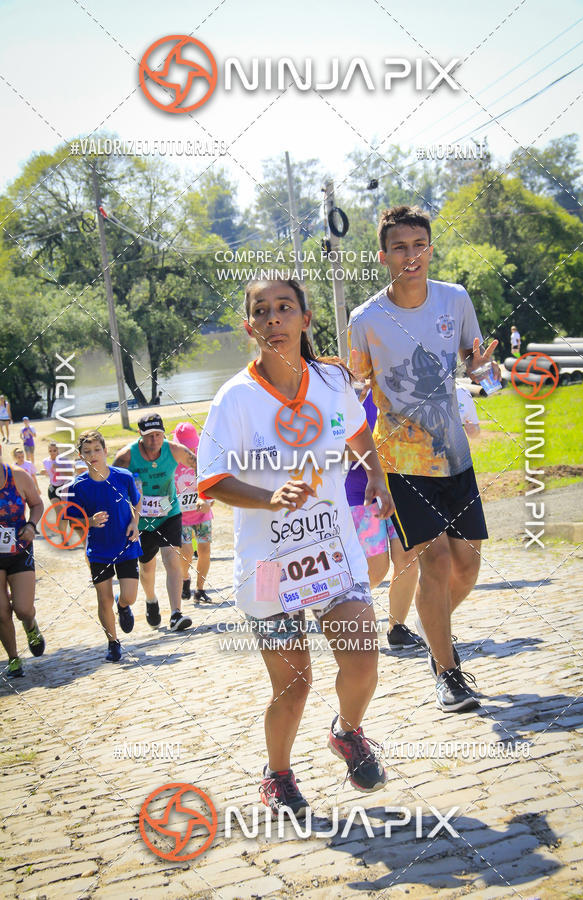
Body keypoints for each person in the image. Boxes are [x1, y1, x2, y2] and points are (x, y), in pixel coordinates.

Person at [197, 277, 394, 817]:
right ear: (250, 326)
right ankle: (277, 775)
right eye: (261, 310)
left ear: (305, 319)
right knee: (294, 683)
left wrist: (376, 477)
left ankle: (347, 733)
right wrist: (268, 497)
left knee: (363, 660)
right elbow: (211, 479)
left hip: (333, 553)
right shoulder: (234, 398)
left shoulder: (331, 381)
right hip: (268, 568)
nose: (273, 318)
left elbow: (358, 433)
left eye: (284, 307)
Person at [348, 204, 500, 713]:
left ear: (430, 249)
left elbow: (477, 364)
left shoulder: (455, 299)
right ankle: (448, 672)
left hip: (453, 456)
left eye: (419, 245)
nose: (410, 256)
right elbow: (354, 390)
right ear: (383, 256)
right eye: (399, 248)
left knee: (467, 566)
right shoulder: (365, 320)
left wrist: (484, 369)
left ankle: (434, 631)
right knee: (433, 561)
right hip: (401, 461)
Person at [345, 386, 422, 651]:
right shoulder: (353, 395)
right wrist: (375, 451)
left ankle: (397, 628)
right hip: (362, 491)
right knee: (376, 569)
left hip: (403, 488)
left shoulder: (408, 393)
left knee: (408, 557)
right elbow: (339, 448)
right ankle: (344, 615)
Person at [114, 414, 197, 633]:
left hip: (169, 513)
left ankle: (176, 614)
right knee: (147, 568)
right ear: (140, 436)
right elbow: (111, 485)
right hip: (140, 521)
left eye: (158, 435)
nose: (154, 440)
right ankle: (151, 600)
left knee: (172, 559)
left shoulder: (175, 450)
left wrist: (205, 495)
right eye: (149, 436)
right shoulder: (126, 456)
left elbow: (200, 466)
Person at [67, 431, 141, 662]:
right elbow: (72, 521)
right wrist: (89, 521)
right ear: (81, 456)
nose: (93, 455)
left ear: (105, 451)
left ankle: (123, 606)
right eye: (87, 452)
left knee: (130, 596)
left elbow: (137, 501)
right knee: (103, 598)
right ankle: (113, 642)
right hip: (99, 550)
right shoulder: (78, 486)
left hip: (126, 545)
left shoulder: (123, 477)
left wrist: (135, 522)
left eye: (97, 450)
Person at [0, 445, 45, 677]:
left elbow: (37, 504)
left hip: (19, 550)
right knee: (1, 612)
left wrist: (31, 525)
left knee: (23, 609)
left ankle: (30, 625)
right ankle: (13, 658)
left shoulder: (17, 476)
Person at [173, 422, 214, 605]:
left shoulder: (202, 458)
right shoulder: (170, 462)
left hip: (202, 514)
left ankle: (200, 589)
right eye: (185, 446)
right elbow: (163, 491)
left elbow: (213, 484)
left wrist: (209, 501)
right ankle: (185, 578)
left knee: (205, 550)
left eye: (192, 446)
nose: (190, 450)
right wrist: (168, 507)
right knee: (187, 552)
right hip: (180, 518)